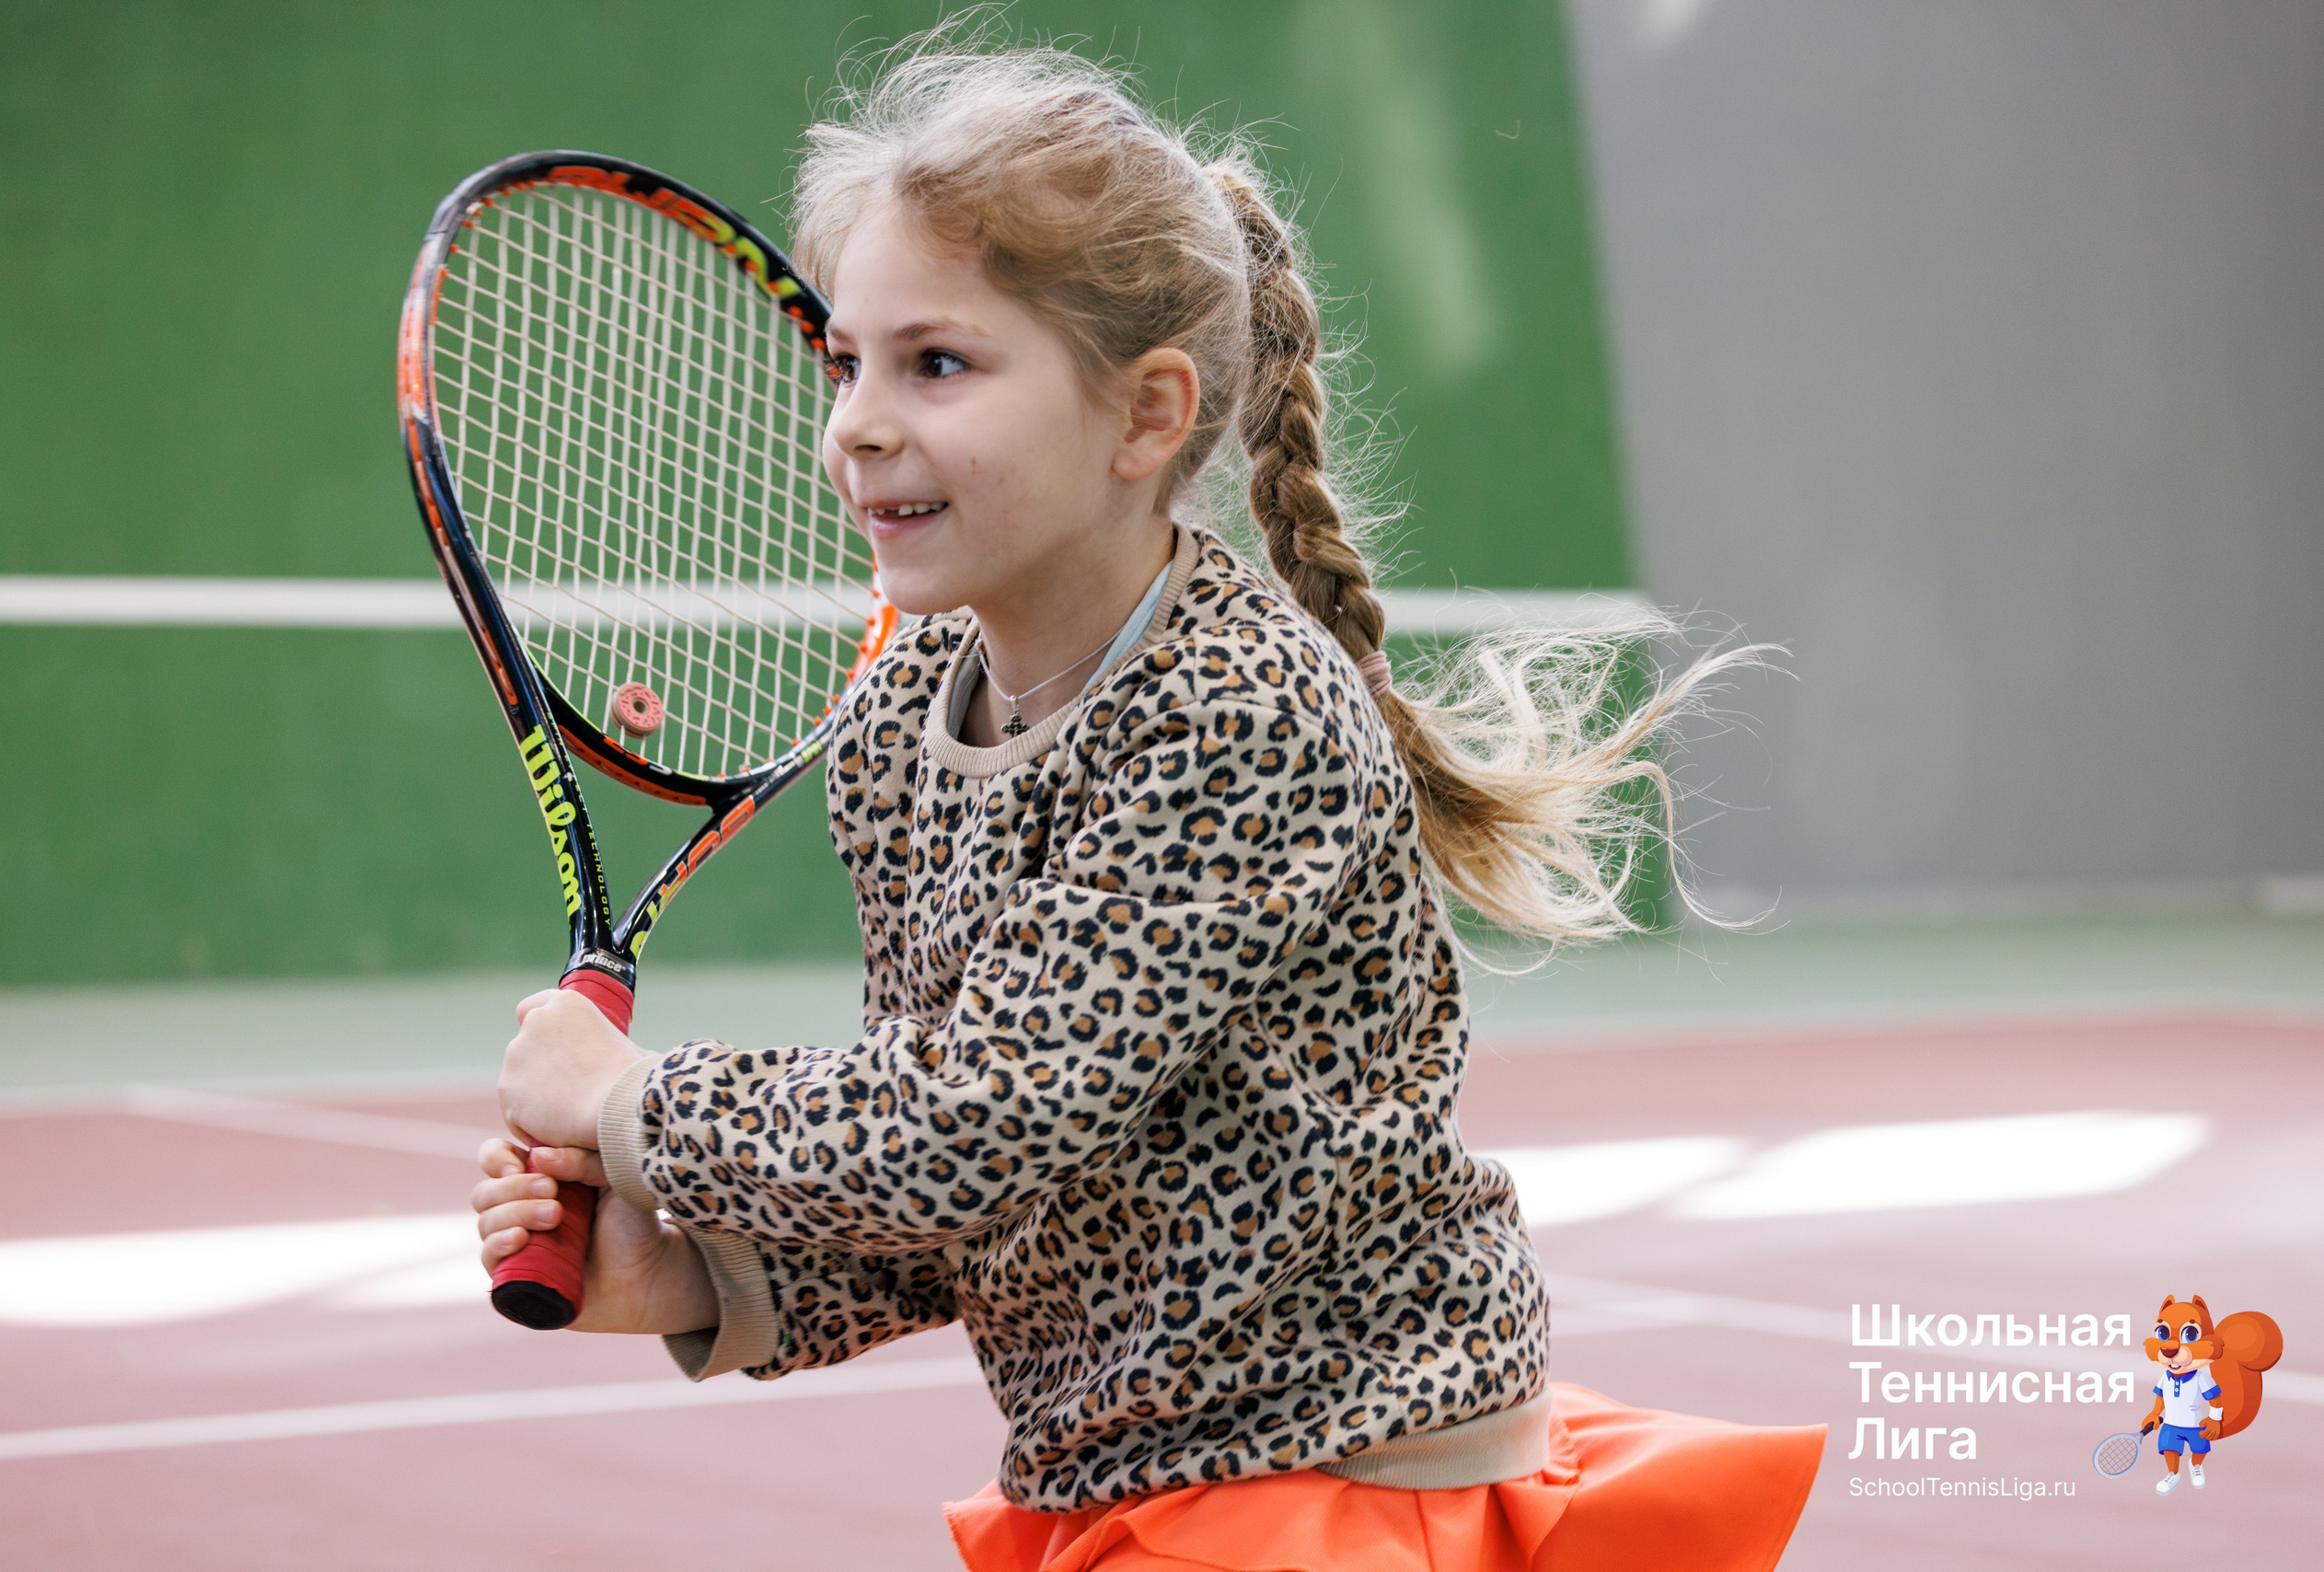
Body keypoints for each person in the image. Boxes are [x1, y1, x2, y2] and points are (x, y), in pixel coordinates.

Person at [472, 33, 1821, 1572]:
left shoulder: (1241, 712)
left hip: (1345, 1471)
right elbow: (1004, 1191)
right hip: (1138, 1476)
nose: (854, 418)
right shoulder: (906, 715)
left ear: (1146, 415)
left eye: (939, 362)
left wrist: (636, 1107)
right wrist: (695, 1272)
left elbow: (969, 1120)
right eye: (848, 360)